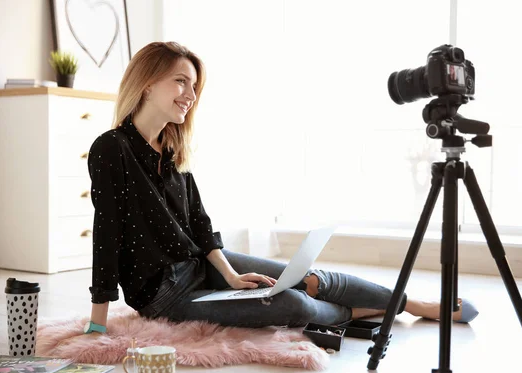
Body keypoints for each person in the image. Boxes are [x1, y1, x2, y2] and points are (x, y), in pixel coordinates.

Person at [84, 41, 478, 335]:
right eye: (181, 82)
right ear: (147, 83)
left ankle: (419, 305)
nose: (190, 95)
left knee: (306, 276)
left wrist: (233, 277)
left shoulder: (171, 149)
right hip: (165, 295)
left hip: (201, 266)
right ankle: (360, 312)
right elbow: (107, 236)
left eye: (193, 86)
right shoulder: (111, 149)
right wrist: (98, 326)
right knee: (291, 303)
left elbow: (200, 226)